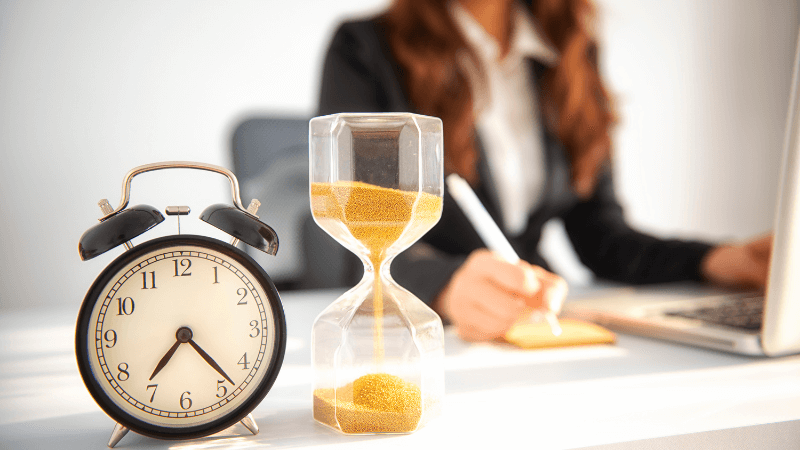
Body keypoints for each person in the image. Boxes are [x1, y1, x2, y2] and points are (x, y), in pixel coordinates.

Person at [315, 0, 772, 342]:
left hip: (534, 323)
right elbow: (362, 238)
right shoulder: (365, 48)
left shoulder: (571, 52)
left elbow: (601, 236)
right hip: (436, 328)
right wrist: (446, 286)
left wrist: (717, 260)